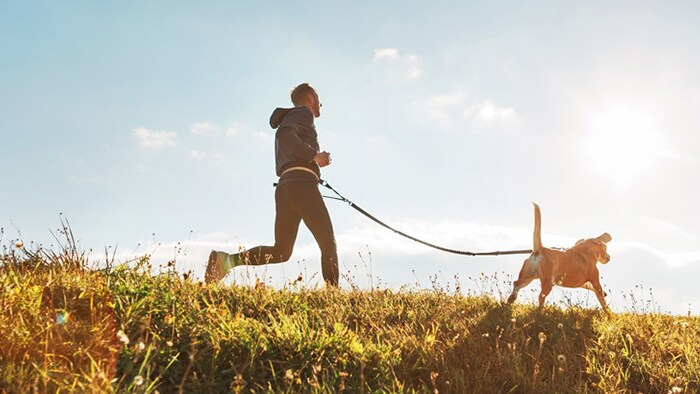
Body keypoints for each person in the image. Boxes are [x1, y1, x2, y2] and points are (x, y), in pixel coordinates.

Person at [205, 82, 339, 286]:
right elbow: (284, 134)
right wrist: (314, 155)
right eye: (319, 98)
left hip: (286, 187)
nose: (321, 104)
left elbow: (286, 137)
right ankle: (333, 297)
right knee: (328, 242)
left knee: (282, 251)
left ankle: (226, 261)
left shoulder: (293, 117)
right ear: (311, 98)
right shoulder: (304, 113)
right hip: (302, 186)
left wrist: (313, 160)